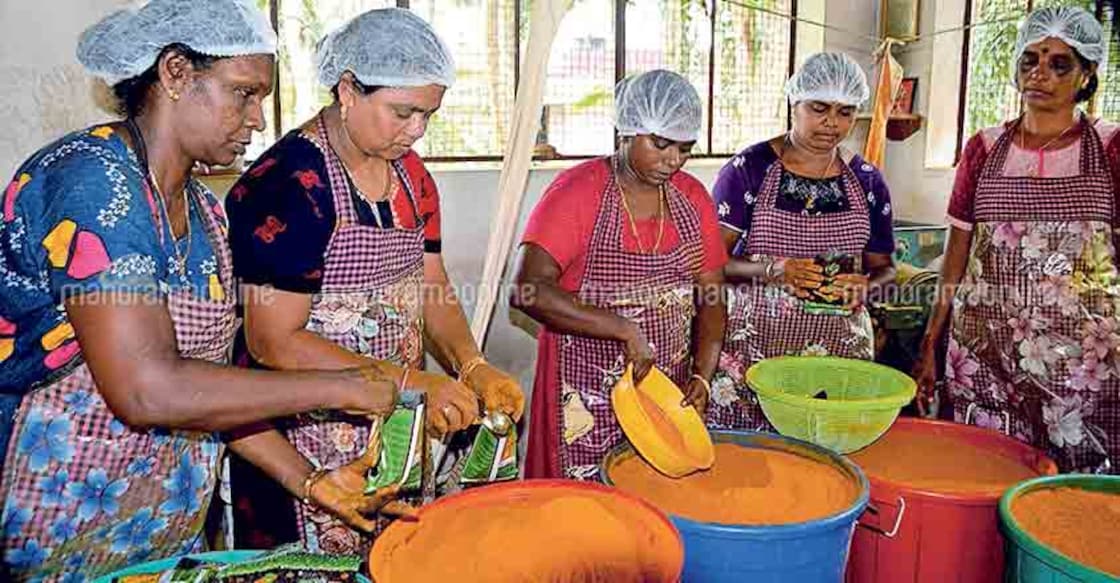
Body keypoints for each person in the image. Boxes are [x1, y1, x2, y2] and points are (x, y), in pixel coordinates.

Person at [0, 1, 418, 579]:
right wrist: (345, 385)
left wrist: (312, 480)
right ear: (174, 73)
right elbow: (148, 389)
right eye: (243, 93)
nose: (256, 120)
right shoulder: (95, 183)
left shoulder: (207, 217)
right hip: (52, 525)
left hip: (158, 529)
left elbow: (211, 394)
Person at [225, 8, 523, 553]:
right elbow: (272, 342)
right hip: (304, 437)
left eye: (428, 114)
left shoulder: (413, 178)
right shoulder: (288, 184)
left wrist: (471, 363)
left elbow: (431, 284)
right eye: (403, 111)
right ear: (347, 90)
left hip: (395, 423)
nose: (417, 130)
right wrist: (412, 383)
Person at [915, 6, 1119, 473]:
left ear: (1087, 73)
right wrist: (932, 342)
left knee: (1076, 487)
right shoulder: (984, 148)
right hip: (986, 357)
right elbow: (956, 255)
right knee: (986, 472)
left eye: (1058, 63)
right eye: (1030, 60)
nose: (1039, 73)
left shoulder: (1110, 148)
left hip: (1081, 365)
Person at [514, 70, 728, 480]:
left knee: (651, 497)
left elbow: (712, 297)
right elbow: (527, 290)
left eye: (685, 148)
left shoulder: (691, 197)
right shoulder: (578, 192)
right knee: (584, 508)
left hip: (661, 391)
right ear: (626, 130)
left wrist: (702, 373)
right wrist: (622, 328)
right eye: (660, 143)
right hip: (583, 388)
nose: (673, 159)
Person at [708, 52, 897, 430]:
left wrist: (867, 287)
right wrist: (773, 270)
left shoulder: (866, 180)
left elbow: (886, 271)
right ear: (794, 103)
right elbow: (711, 264)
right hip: (755, 356)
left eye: (845, 112)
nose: (831, 123)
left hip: (839, 359)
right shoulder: (750, 170)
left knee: (828, 465)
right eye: (819, 108)